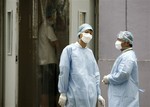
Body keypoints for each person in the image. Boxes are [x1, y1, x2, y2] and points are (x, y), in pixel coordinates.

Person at [58, 23, 105, 107]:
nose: (89, 35)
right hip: (75, 96)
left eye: (91, 33)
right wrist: (63, 92)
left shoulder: (89, 53)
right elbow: (64, 72)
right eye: (86, 32)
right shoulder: (69, 50)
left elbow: (95, 74)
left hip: (90, 97)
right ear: (80, 34)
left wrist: (98, 94)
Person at [102, 31, 140, 107]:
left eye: (120, 40)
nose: (117, 42)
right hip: (123, 99)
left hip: (124, 100)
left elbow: (123, 74)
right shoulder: (126, 55)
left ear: (127, 42)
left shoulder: (128, 57)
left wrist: (108, 78)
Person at [38, 6, 59, 107]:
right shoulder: (47, 27)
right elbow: (54, 42)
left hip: (44, 61)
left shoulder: (43, 26)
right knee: (47, 89)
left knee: (47, 88)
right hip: (48, 62)